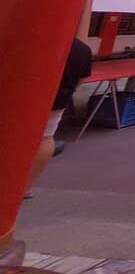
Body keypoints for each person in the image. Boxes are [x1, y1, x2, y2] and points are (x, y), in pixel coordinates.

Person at [25, 38, 92, 197]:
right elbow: (80, 79)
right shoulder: (82, 49)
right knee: (45, 138)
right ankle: (24, 187)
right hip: (57, 99)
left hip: (21, 96)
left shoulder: (27, 39)